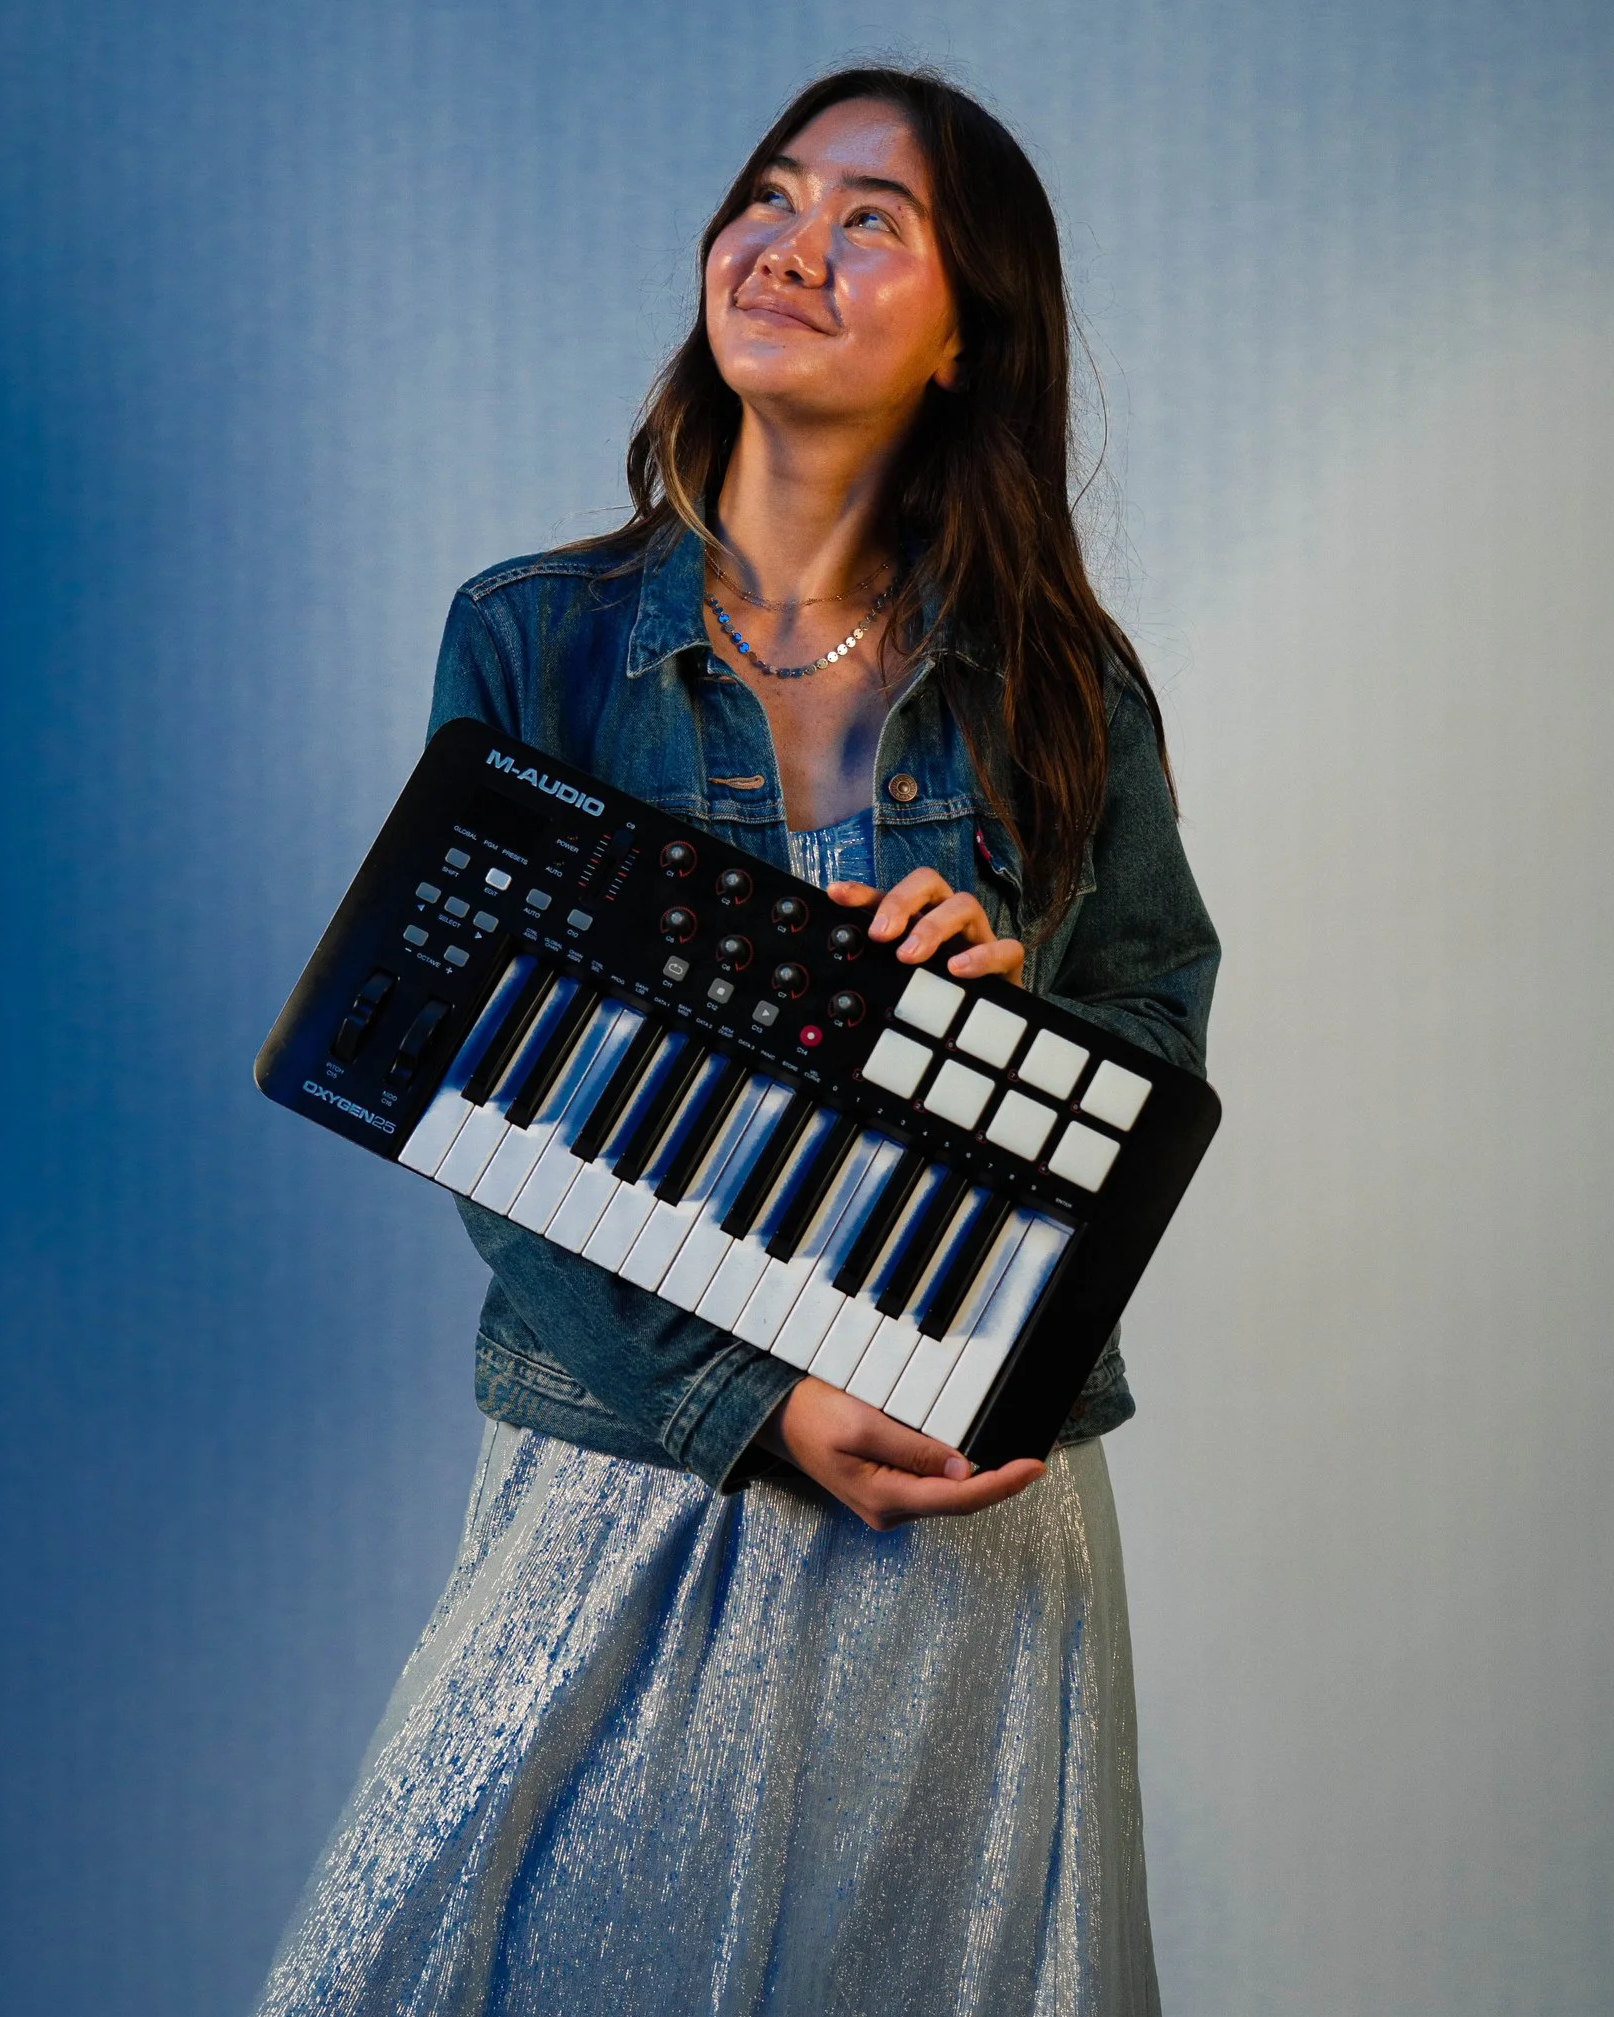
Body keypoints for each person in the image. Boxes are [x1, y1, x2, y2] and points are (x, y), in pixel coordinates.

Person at [255, 65, 1218, 2017]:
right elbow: (465, 1087)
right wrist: (743, 1402)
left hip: (952, 1500)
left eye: (873, 219)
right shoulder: (530, 638)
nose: (792, 243)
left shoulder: (1065, 683)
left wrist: (1009, 1017)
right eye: (770, 195)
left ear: (966, 336)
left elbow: (1150, 1037)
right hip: (626, 1458)